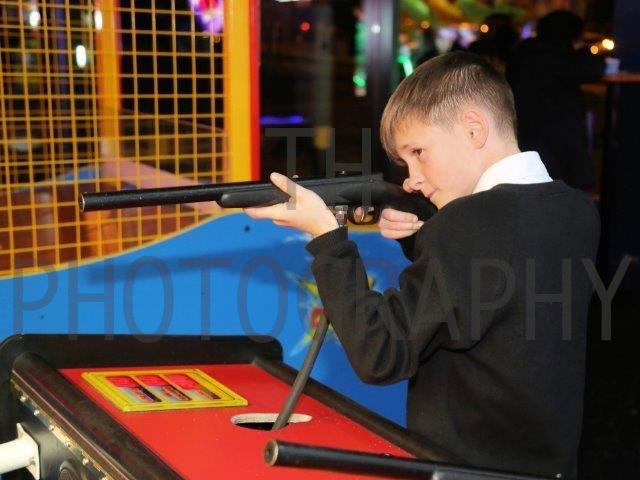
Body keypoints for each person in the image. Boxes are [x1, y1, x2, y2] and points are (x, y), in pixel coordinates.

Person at [245, 51, 599, 479]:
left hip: (463, 467)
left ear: (473, 129)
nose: (410, 178)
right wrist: (424, 235)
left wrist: (327, 238)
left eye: (418, 151)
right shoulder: (574, 210)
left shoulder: (470, 224)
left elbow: (379, 353)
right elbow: (498, 282)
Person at [506, 10, 604, 190]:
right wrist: (583, 50)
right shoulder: (564, 54)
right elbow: (592, 71)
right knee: (566, 179)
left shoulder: (525, 50)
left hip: (527, 121)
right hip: (562, 126)